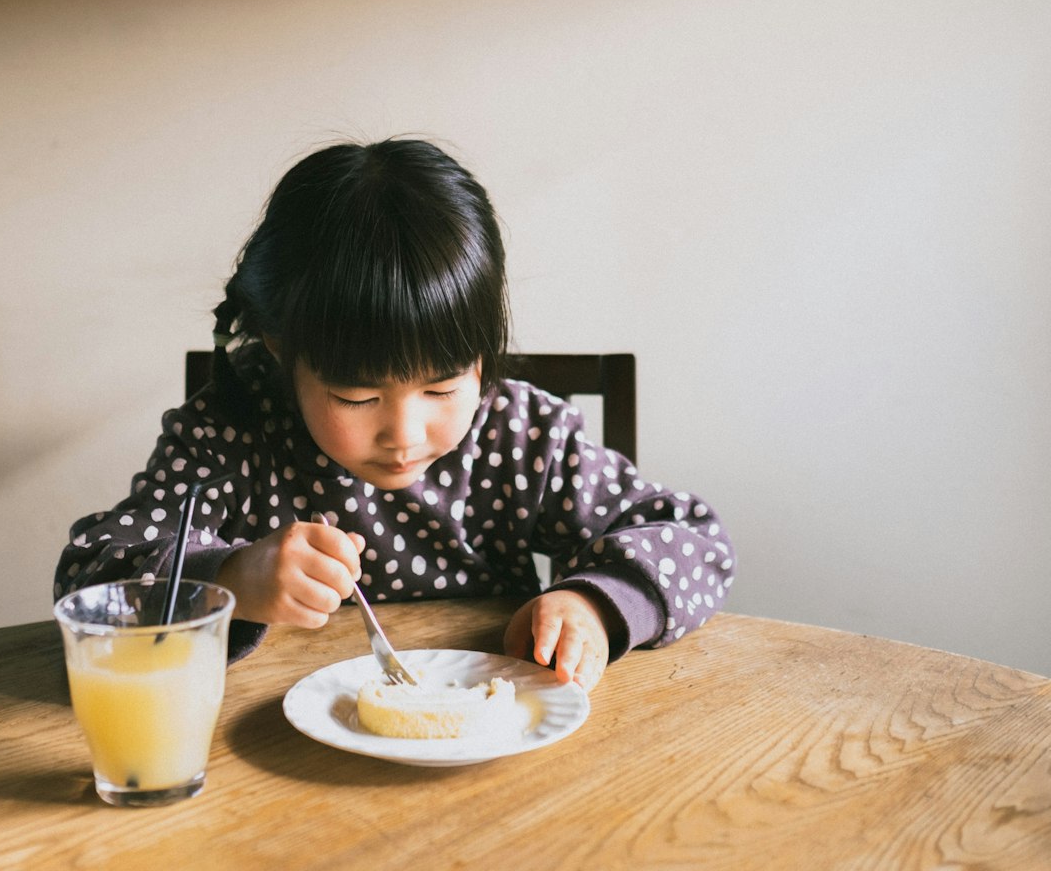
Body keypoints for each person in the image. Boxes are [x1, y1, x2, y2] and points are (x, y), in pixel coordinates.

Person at [54, 138, 733, 689]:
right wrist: (233, 578)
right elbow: (89, 581)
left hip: (492, 745)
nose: (404, 435)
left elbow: (693, 539)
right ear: (281, 349)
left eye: (441, 388)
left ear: (483, 356)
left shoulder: (522, 436)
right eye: (356, 397)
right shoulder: (233, 433)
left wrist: (596, 604)